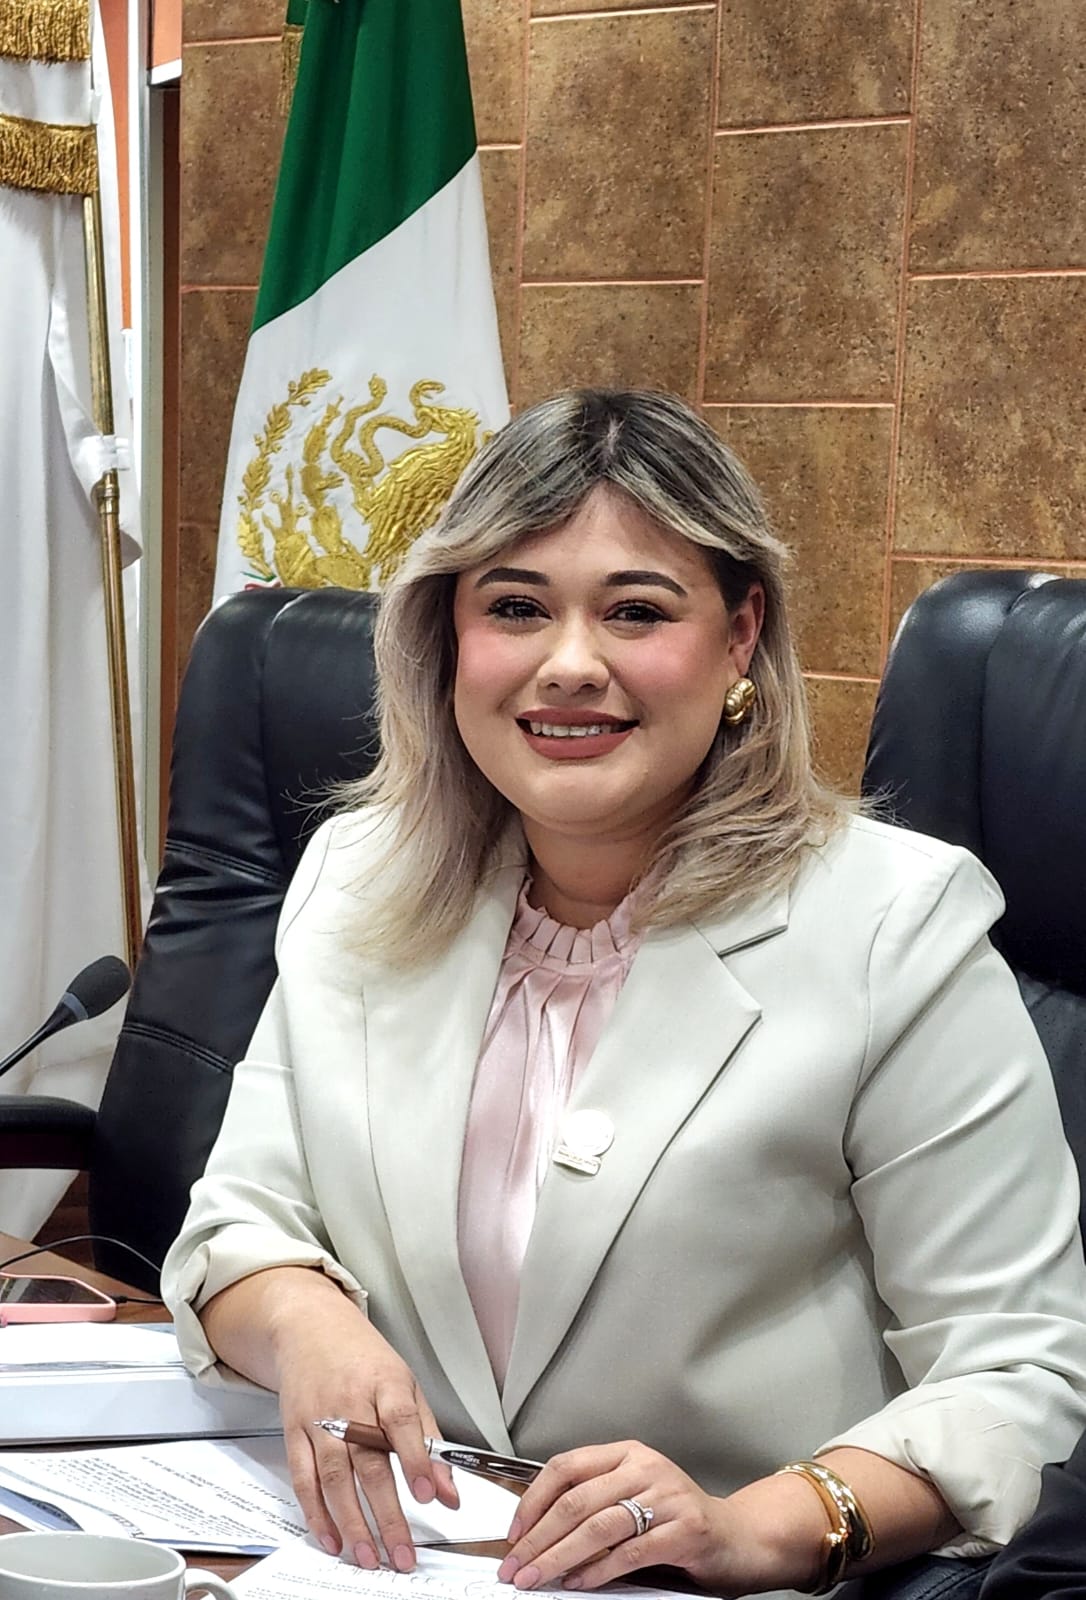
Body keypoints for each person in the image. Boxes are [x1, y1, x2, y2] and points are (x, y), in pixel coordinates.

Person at [162, 390, 1086, 1600]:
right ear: (448, 636)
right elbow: (237, 1226)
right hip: (396, 1564)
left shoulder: (891, 926)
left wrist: (756, 1528)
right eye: (515, 608)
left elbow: (1021, 1375)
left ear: (739, 635)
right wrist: (306, 1327)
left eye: (636, 610)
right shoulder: (358, 876)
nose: (569, 665)